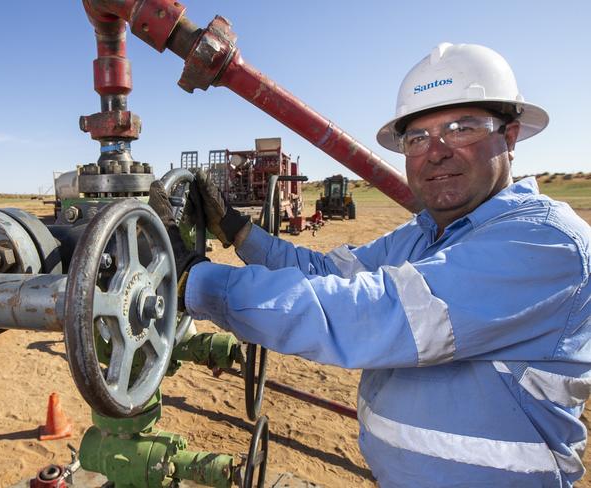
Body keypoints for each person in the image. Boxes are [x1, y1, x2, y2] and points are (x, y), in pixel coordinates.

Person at [149, 43, 591, 487]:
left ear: (509, 137)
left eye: (461, 129)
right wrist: (236, 228)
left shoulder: (547, 245)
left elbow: (369, 314)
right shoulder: (424, 235)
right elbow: (323, 274)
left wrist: (194, 280)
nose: (436, 152)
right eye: (418, 137)